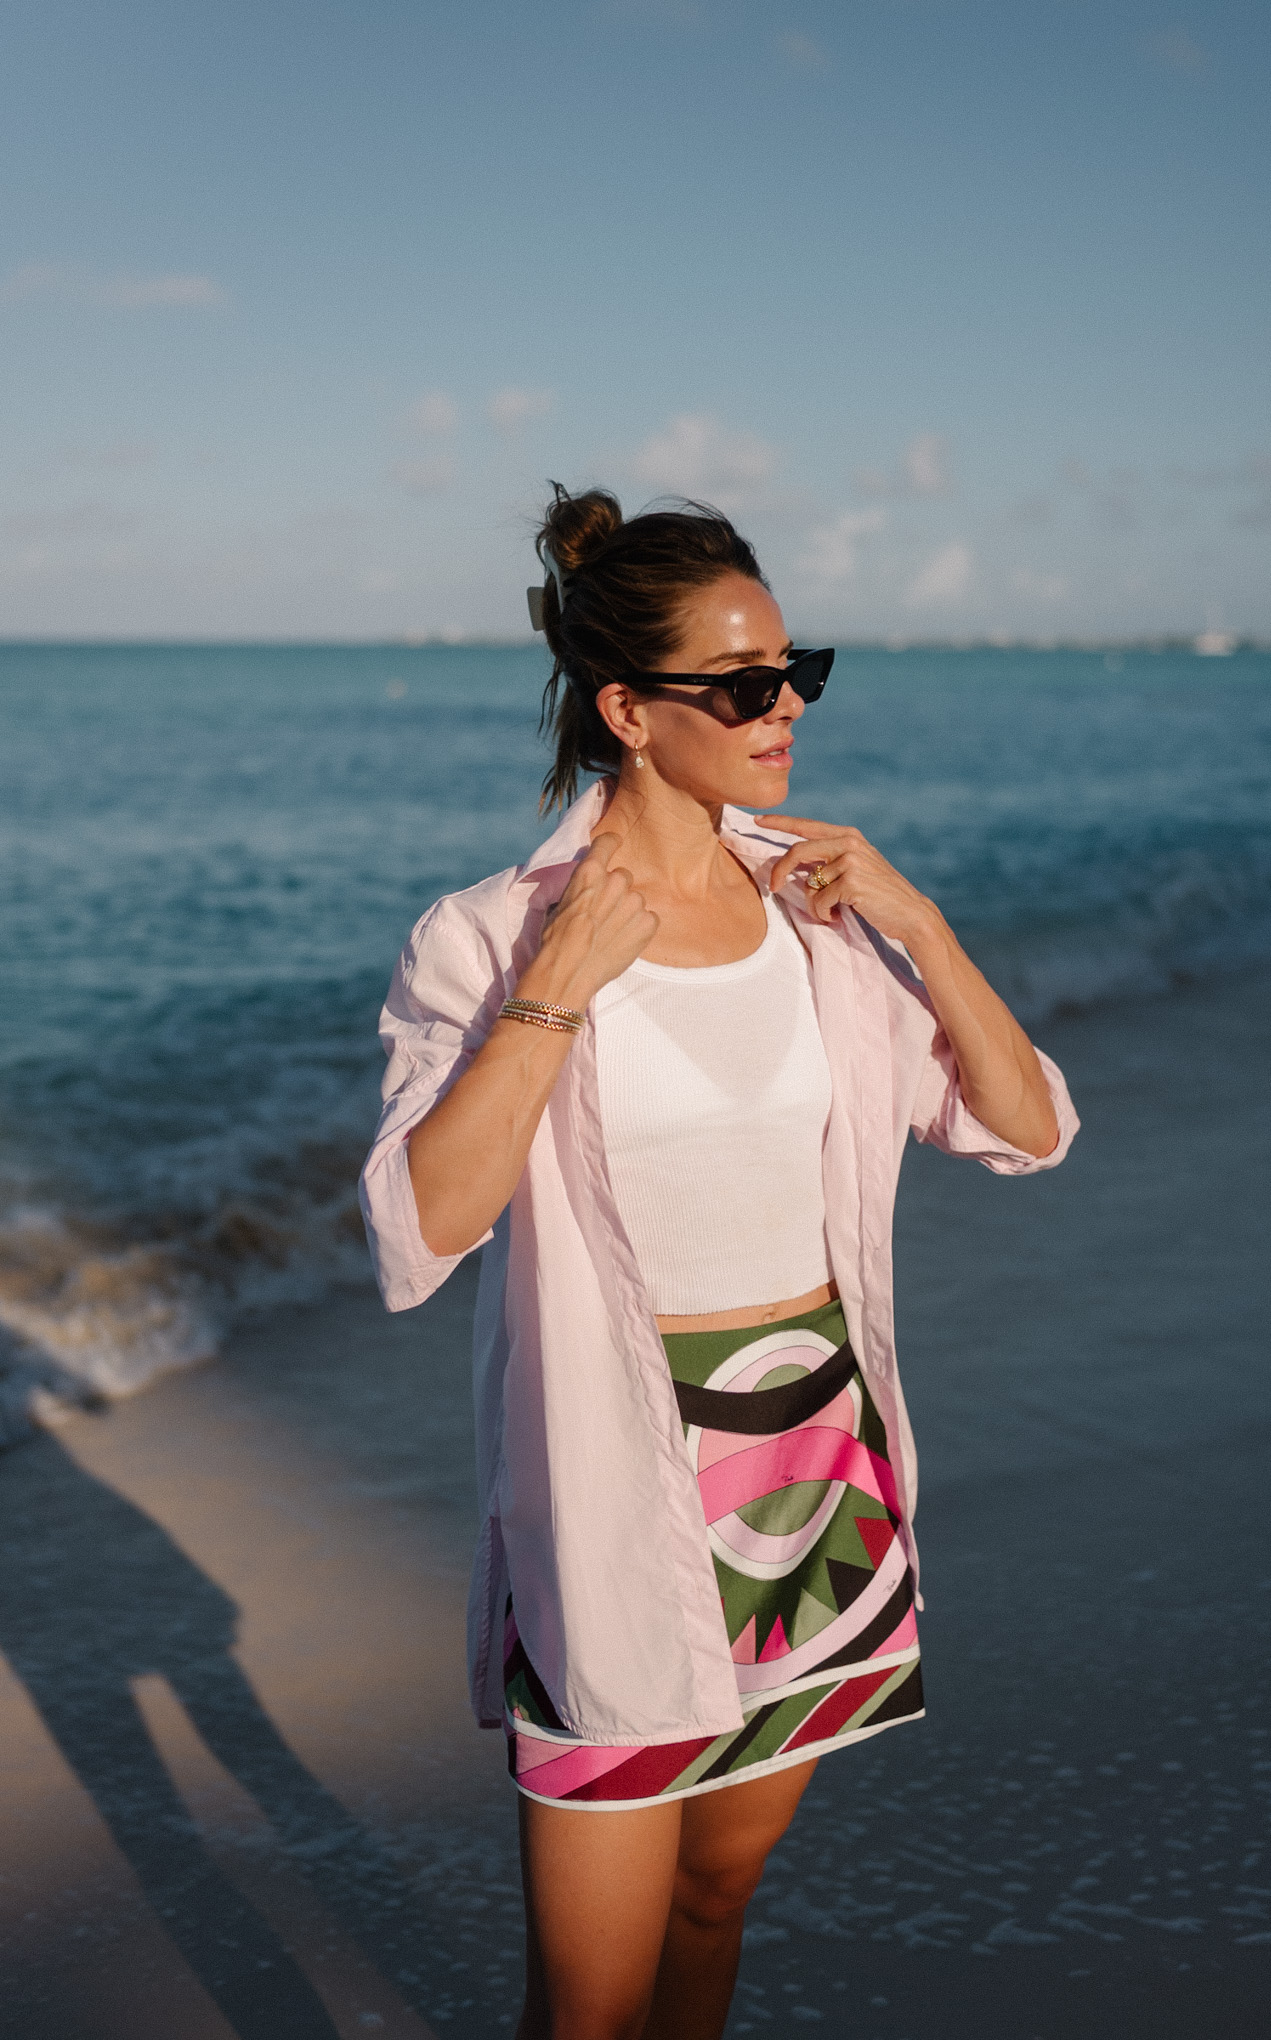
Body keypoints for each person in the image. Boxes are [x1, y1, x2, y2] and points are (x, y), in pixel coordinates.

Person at [359, 486, 1079, 2040]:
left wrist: (924, 923)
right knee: (593, 2001)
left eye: (796, 669)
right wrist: (557, 990)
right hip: (622, 1486)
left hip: (820, 1467)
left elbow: (1029, 1130)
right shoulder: (488, 938)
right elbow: (420, 1231)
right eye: (743, 686)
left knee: (715, 1898)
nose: (785, 710)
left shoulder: (818, 912)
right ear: (628, 710)